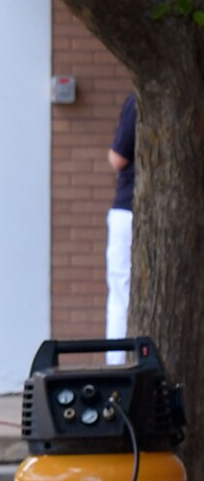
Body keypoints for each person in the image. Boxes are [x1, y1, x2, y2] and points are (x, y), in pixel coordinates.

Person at [106, 91, 136, 360]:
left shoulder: (140, 96)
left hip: (128, 208)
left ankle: (117, 363)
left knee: (121, 291)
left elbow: (119, 158)